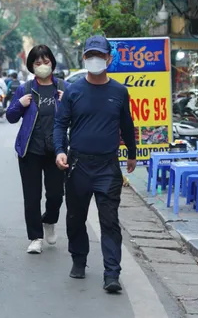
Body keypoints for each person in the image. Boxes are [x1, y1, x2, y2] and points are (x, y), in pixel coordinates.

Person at [53, 35, 137, 293]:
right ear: (84, 59)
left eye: (99, 56)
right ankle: (79, 259)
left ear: (109, 59)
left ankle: (112, 273)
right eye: (90, 56)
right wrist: (59, 151)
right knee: (75, 217)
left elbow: (127, 125)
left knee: (109, 220)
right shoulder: (73, 91)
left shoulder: (119, 92)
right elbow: (60, 124)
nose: (95, 60)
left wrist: (132, 154)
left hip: (107, 167)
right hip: (78, 165)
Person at [6, 45, 67, 254]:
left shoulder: (63, 87)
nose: (43, 66)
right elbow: (11, 116)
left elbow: (76, 116)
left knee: (56, 195)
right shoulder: (25, 88)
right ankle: (35, 237)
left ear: (52, 62)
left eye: (46, 61)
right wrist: (20, 104)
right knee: (32, 197)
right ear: (31, 66)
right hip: (30, 150)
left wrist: (65, 103)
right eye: (38, 63)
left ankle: (49, 220)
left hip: (57, 151)